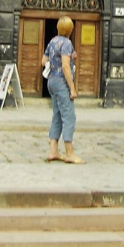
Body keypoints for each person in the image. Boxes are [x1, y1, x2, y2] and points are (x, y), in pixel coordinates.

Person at [41, 16, 84, 163]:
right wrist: (72, 88)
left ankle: (53, 150)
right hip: (61, 82)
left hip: (51, 81)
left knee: (57, 115)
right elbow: (65, 66)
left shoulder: (52, 41)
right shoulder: (66, 43)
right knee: (69, 116)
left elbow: (43, 61)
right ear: (70, 30)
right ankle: (69, 152)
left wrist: (68, 57)